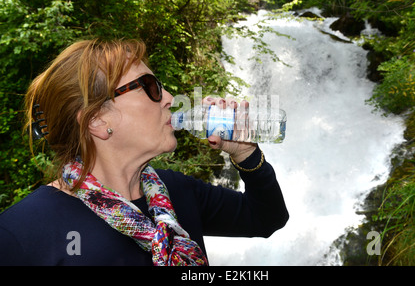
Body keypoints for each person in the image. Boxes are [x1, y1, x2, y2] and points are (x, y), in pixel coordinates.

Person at [0, 39, 288, 266]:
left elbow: (266, 218)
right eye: (150, 87)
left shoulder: (177, 190)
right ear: (97, 120)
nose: (170, 99)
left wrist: (244, 152)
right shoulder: (20, 233)